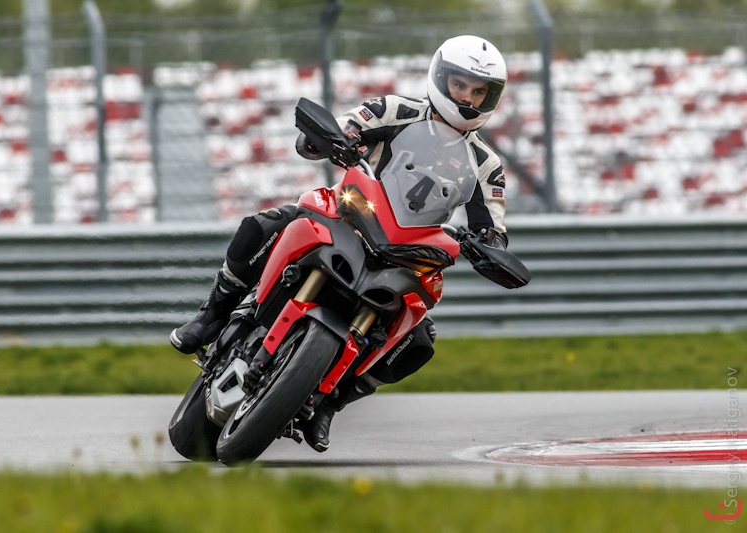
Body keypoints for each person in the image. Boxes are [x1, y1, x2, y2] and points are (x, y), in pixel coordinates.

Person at [170, 35, 510, 452]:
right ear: (441, 78)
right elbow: (348, 126)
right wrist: (333, 139)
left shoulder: (487, 165)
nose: (467, 98)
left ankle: (330, 403)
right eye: (459, 85)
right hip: (353, 209)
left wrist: (489, 245)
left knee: (419, 339)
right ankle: (212, 313)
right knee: (265, 224)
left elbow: (492, 225)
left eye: (479, 92)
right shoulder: (396, 110)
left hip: (408, 248)